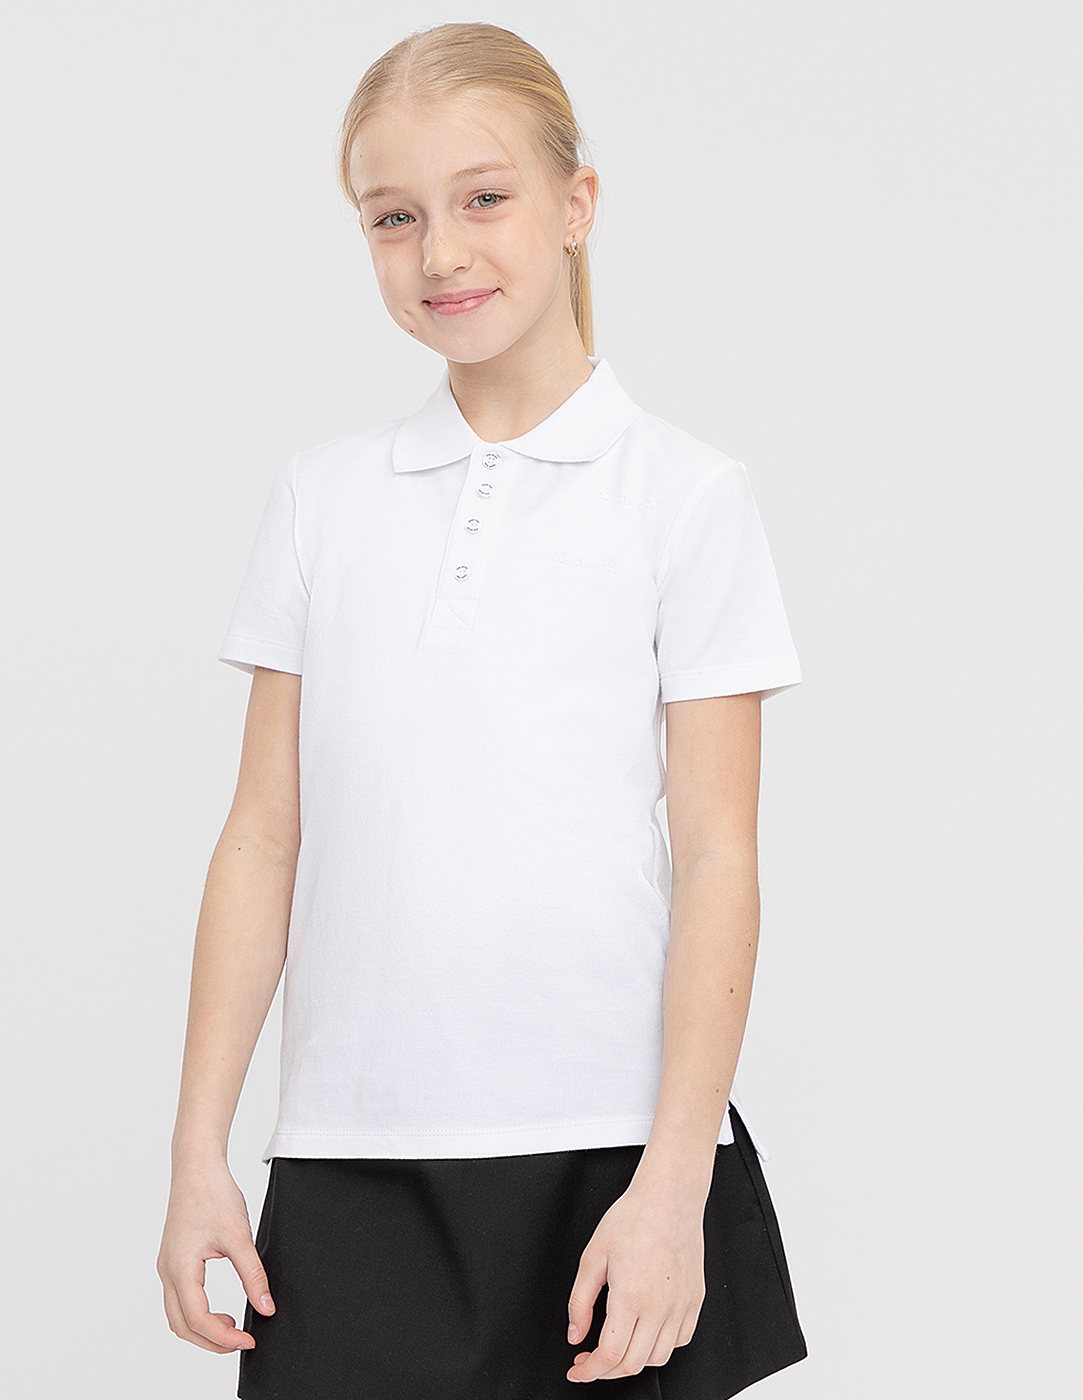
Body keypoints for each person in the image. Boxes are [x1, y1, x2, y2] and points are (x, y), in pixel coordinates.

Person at [157, 21, 809, 1400]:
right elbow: (262, 840)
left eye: (484, 198)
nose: (441, 253)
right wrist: (198, 1151)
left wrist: (673, 1186)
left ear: (577, 204)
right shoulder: (322, 501)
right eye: (394, 217)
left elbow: (718, 857)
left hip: (605, 1160)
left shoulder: (684, 498)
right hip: (351, 1157)